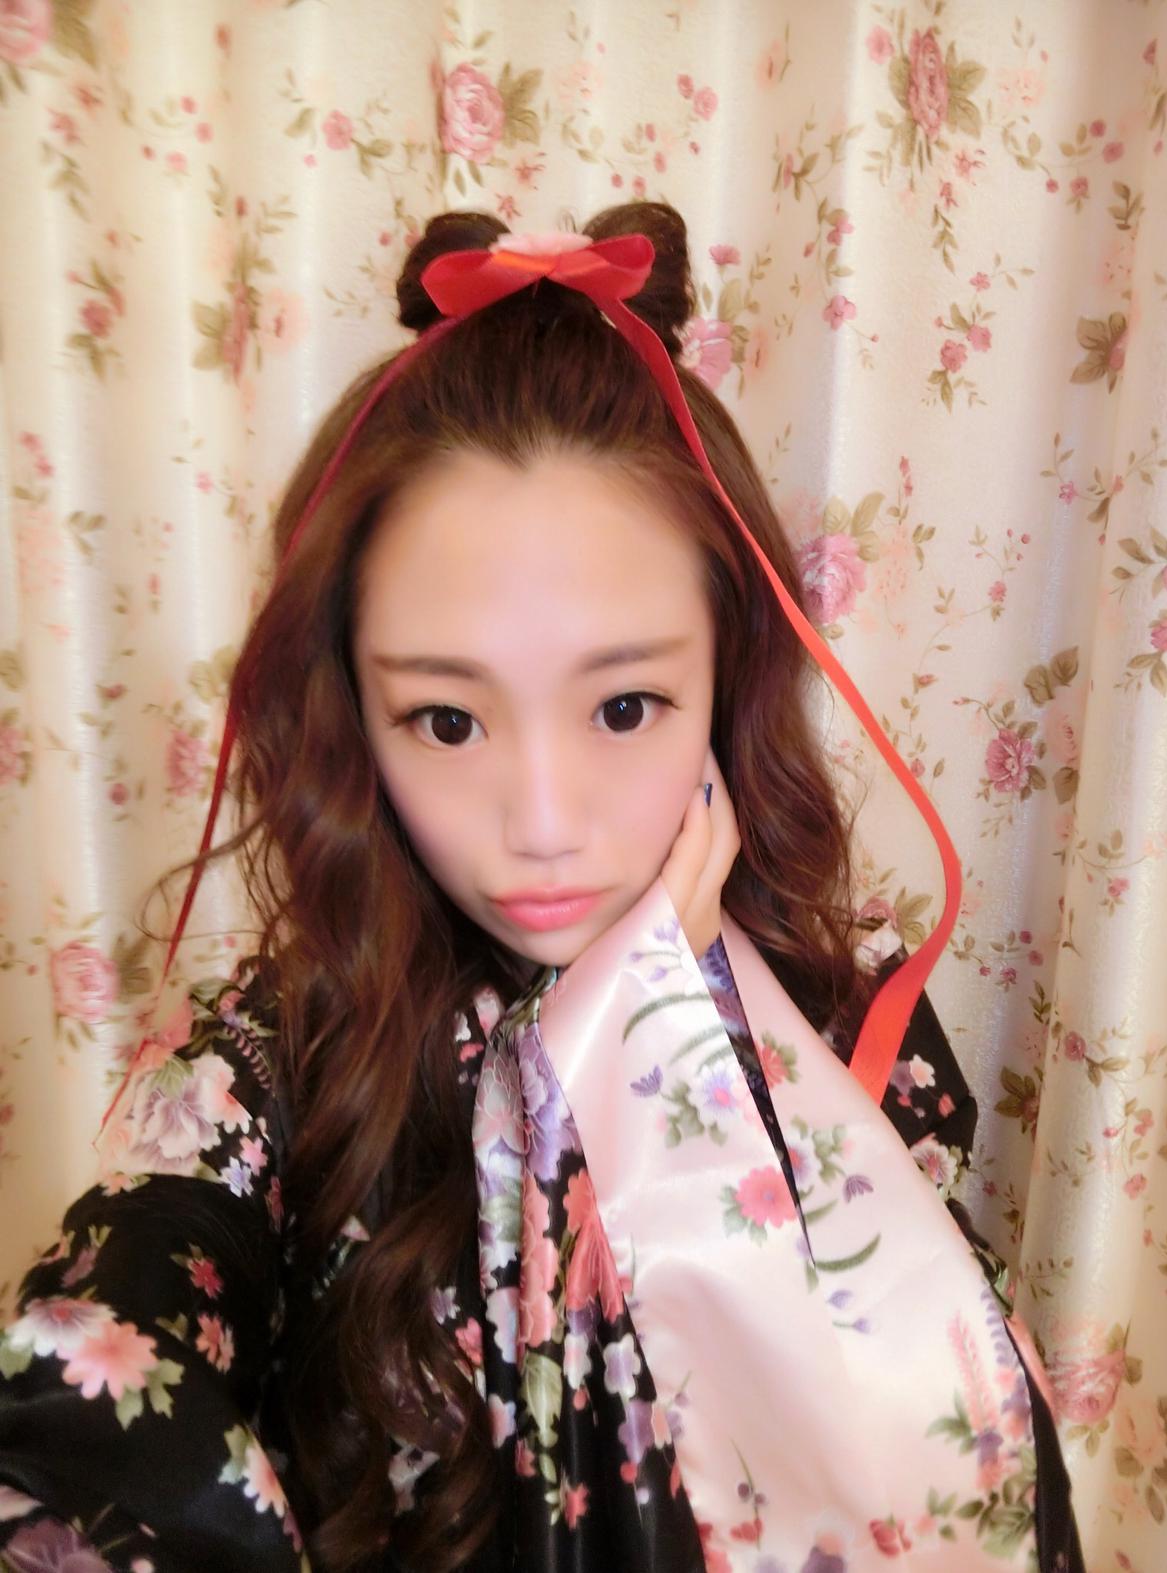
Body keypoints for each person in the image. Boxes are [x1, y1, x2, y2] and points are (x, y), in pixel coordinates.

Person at [0, 203, 1083, 1572]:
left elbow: (937, 1484)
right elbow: (99, 1390)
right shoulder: (267, 1067)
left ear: (729, 682)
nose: (545, 827)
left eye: (625, 706)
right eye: (447, 721)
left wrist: (658, 1043)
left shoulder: (850, 1038)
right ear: (353, 715)